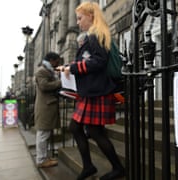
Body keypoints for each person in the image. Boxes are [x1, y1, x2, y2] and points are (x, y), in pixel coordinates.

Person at [58, 2, 124, 180]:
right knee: (78, 128)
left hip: (98, 91)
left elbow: (99, 61)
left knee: (94, 131)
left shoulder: (96, 34)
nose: (78, 22)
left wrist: (73, 68)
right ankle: (89, 166)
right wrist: (71, 66)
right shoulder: (93, 35)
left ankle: (116, 168)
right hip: (93, 91)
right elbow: (91, 60)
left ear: (91, 16)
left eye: (80, 18)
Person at [34, 52, 62, 168]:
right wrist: (61, 82)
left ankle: (44, 157)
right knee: (42, 134)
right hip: (45, 107)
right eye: (57, 61)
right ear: (51, 60)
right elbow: (44, 86)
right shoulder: (42, 71)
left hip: (48, 106)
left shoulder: (47, 70)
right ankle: (41, 160)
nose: (58, 64)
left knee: (45, 133)